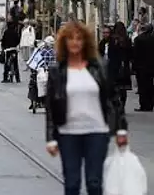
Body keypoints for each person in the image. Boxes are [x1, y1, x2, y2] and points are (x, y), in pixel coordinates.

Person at [45, 21, 127, 195]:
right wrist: (51, 138)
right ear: (64, 43)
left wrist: (121, 129)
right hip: (67, 134)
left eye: (79, 39)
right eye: (70, 39)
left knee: (94, 183)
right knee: (72, 184)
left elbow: (114, 98)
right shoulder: (56, 71)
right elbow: (51, 107)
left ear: (85, 42)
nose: (75, 43)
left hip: (97, 131)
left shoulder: (100, 67)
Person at [107, 21, 132, 109]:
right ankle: (123, 105)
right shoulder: (127, 40)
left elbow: (110, 54)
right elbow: (130, 54)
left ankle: (116, 104)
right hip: (124, 66)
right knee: (123, 88)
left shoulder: (112, 40)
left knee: (114, 86)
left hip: (114, 66)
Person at [132, 24, 153, 111]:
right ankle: (151, 104)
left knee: (142, 87)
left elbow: (135, 54)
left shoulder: (138, 39)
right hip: (151, 67)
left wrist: (134, 66)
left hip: (140, 67)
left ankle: (144, 105)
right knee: (150, 85)